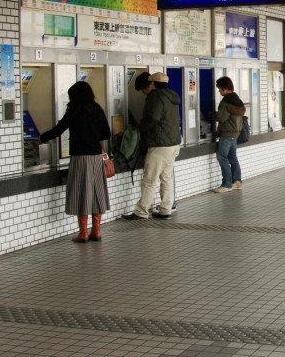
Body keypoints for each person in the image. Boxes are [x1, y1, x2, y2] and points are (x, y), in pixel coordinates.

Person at [39, 81, 111, 243]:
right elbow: (106, 133)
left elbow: (59, 130)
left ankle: (83, 233)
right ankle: (97, 232)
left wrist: (42, 138)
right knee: (97, 193)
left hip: (80, 158)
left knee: (82, 193)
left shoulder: (74, 111)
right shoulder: (97, 110)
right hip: (96, 158)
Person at [122, 71, 182, 220]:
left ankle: (141, 211)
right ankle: (165, 209)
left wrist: (138, 130)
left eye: (144, 88)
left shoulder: (156, 97)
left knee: (149, 180)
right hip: (173, 143)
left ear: (152, 84)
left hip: (159, 145)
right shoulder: (171, 96)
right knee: (166, 178)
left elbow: (152, 119)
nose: (143, 92)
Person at [213, 76, 246, 193]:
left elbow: (222, 118)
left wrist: (212, 114)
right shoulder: (237, 99)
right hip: (236, 132)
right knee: (232, 157)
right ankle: (237, 181)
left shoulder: (226, 101)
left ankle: (226, 184)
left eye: (219, 88)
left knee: (222, 156)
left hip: (227, 133)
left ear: (224, 88)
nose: (218, 91)